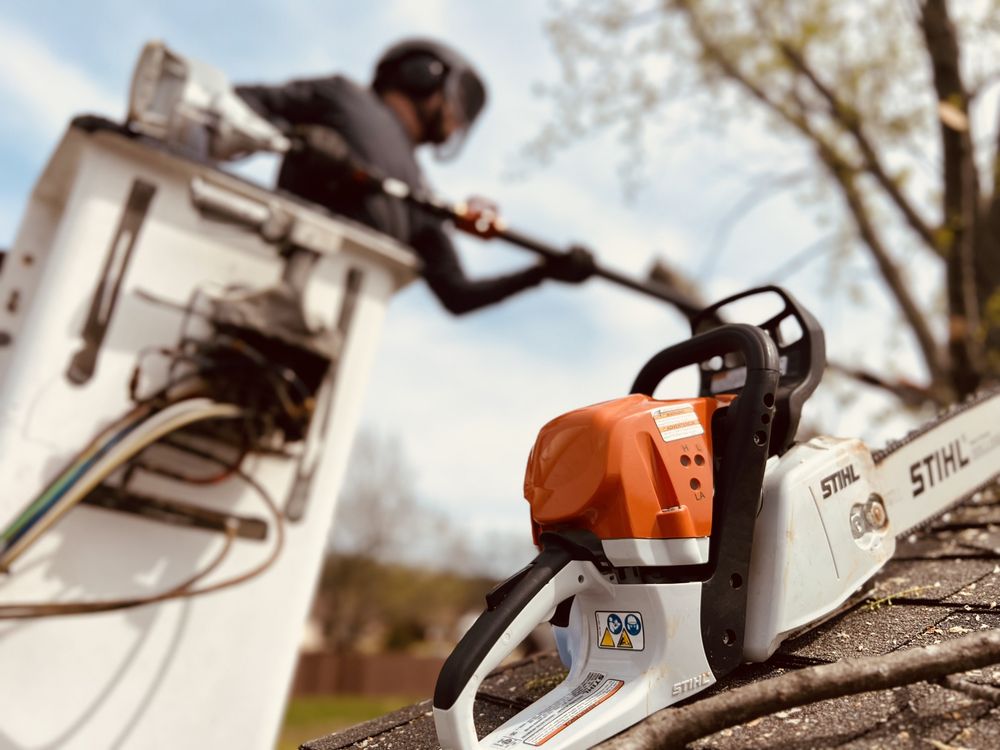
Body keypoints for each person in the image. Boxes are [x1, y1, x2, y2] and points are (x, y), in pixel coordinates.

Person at [236, 38, 595, 315]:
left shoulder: (421, 197)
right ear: (422, 74)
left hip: (335, 336)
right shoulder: (341, 96)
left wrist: (541, 273)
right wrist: (293, 138)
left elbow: (458, 294)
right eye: (458, 99)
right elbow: (239, 103)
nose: (458, 120)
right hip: (258, 284)